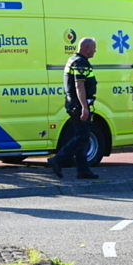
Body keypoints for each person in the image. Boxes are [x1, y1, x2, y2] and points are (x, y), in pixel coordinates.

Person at [48, 37, 99, 179]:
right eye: (94, 47)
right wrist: (84, 107)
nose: (95, 51)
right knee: (83, 136)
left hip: (74, 104)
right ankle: (57, 160)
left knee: (81, 136)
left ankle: (83, 170)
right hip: (78, 105)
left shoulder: (73, 60)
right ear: (87, 47)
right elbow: (79, 85)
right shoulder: (80, 63)